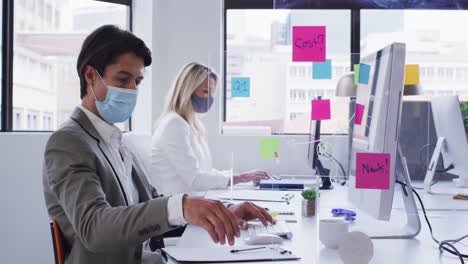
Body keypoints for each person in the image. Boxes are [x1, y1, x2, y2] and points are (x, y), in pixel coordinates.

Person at [42, 25, 273, 264]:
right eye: (123, 79)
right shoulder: (68, 142)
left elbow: (152, 206)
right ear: (90, 76)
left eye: (137, 81)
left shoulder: (116, 142)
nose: (132, 89)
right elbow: (94, 228)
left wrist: (220, 213)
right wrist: (181, 207)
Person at [151, 63, 269, 196]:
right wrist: (240, 178)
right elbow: (195, 180)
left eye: (212, 92)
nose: (210, 98)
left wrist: (242, 177)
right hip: (181, 206)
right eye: (206, 91)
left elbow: (204, 172)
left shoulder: (189, 125)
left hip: (193, 199)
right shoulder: (174, 125)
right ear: (187, 90)